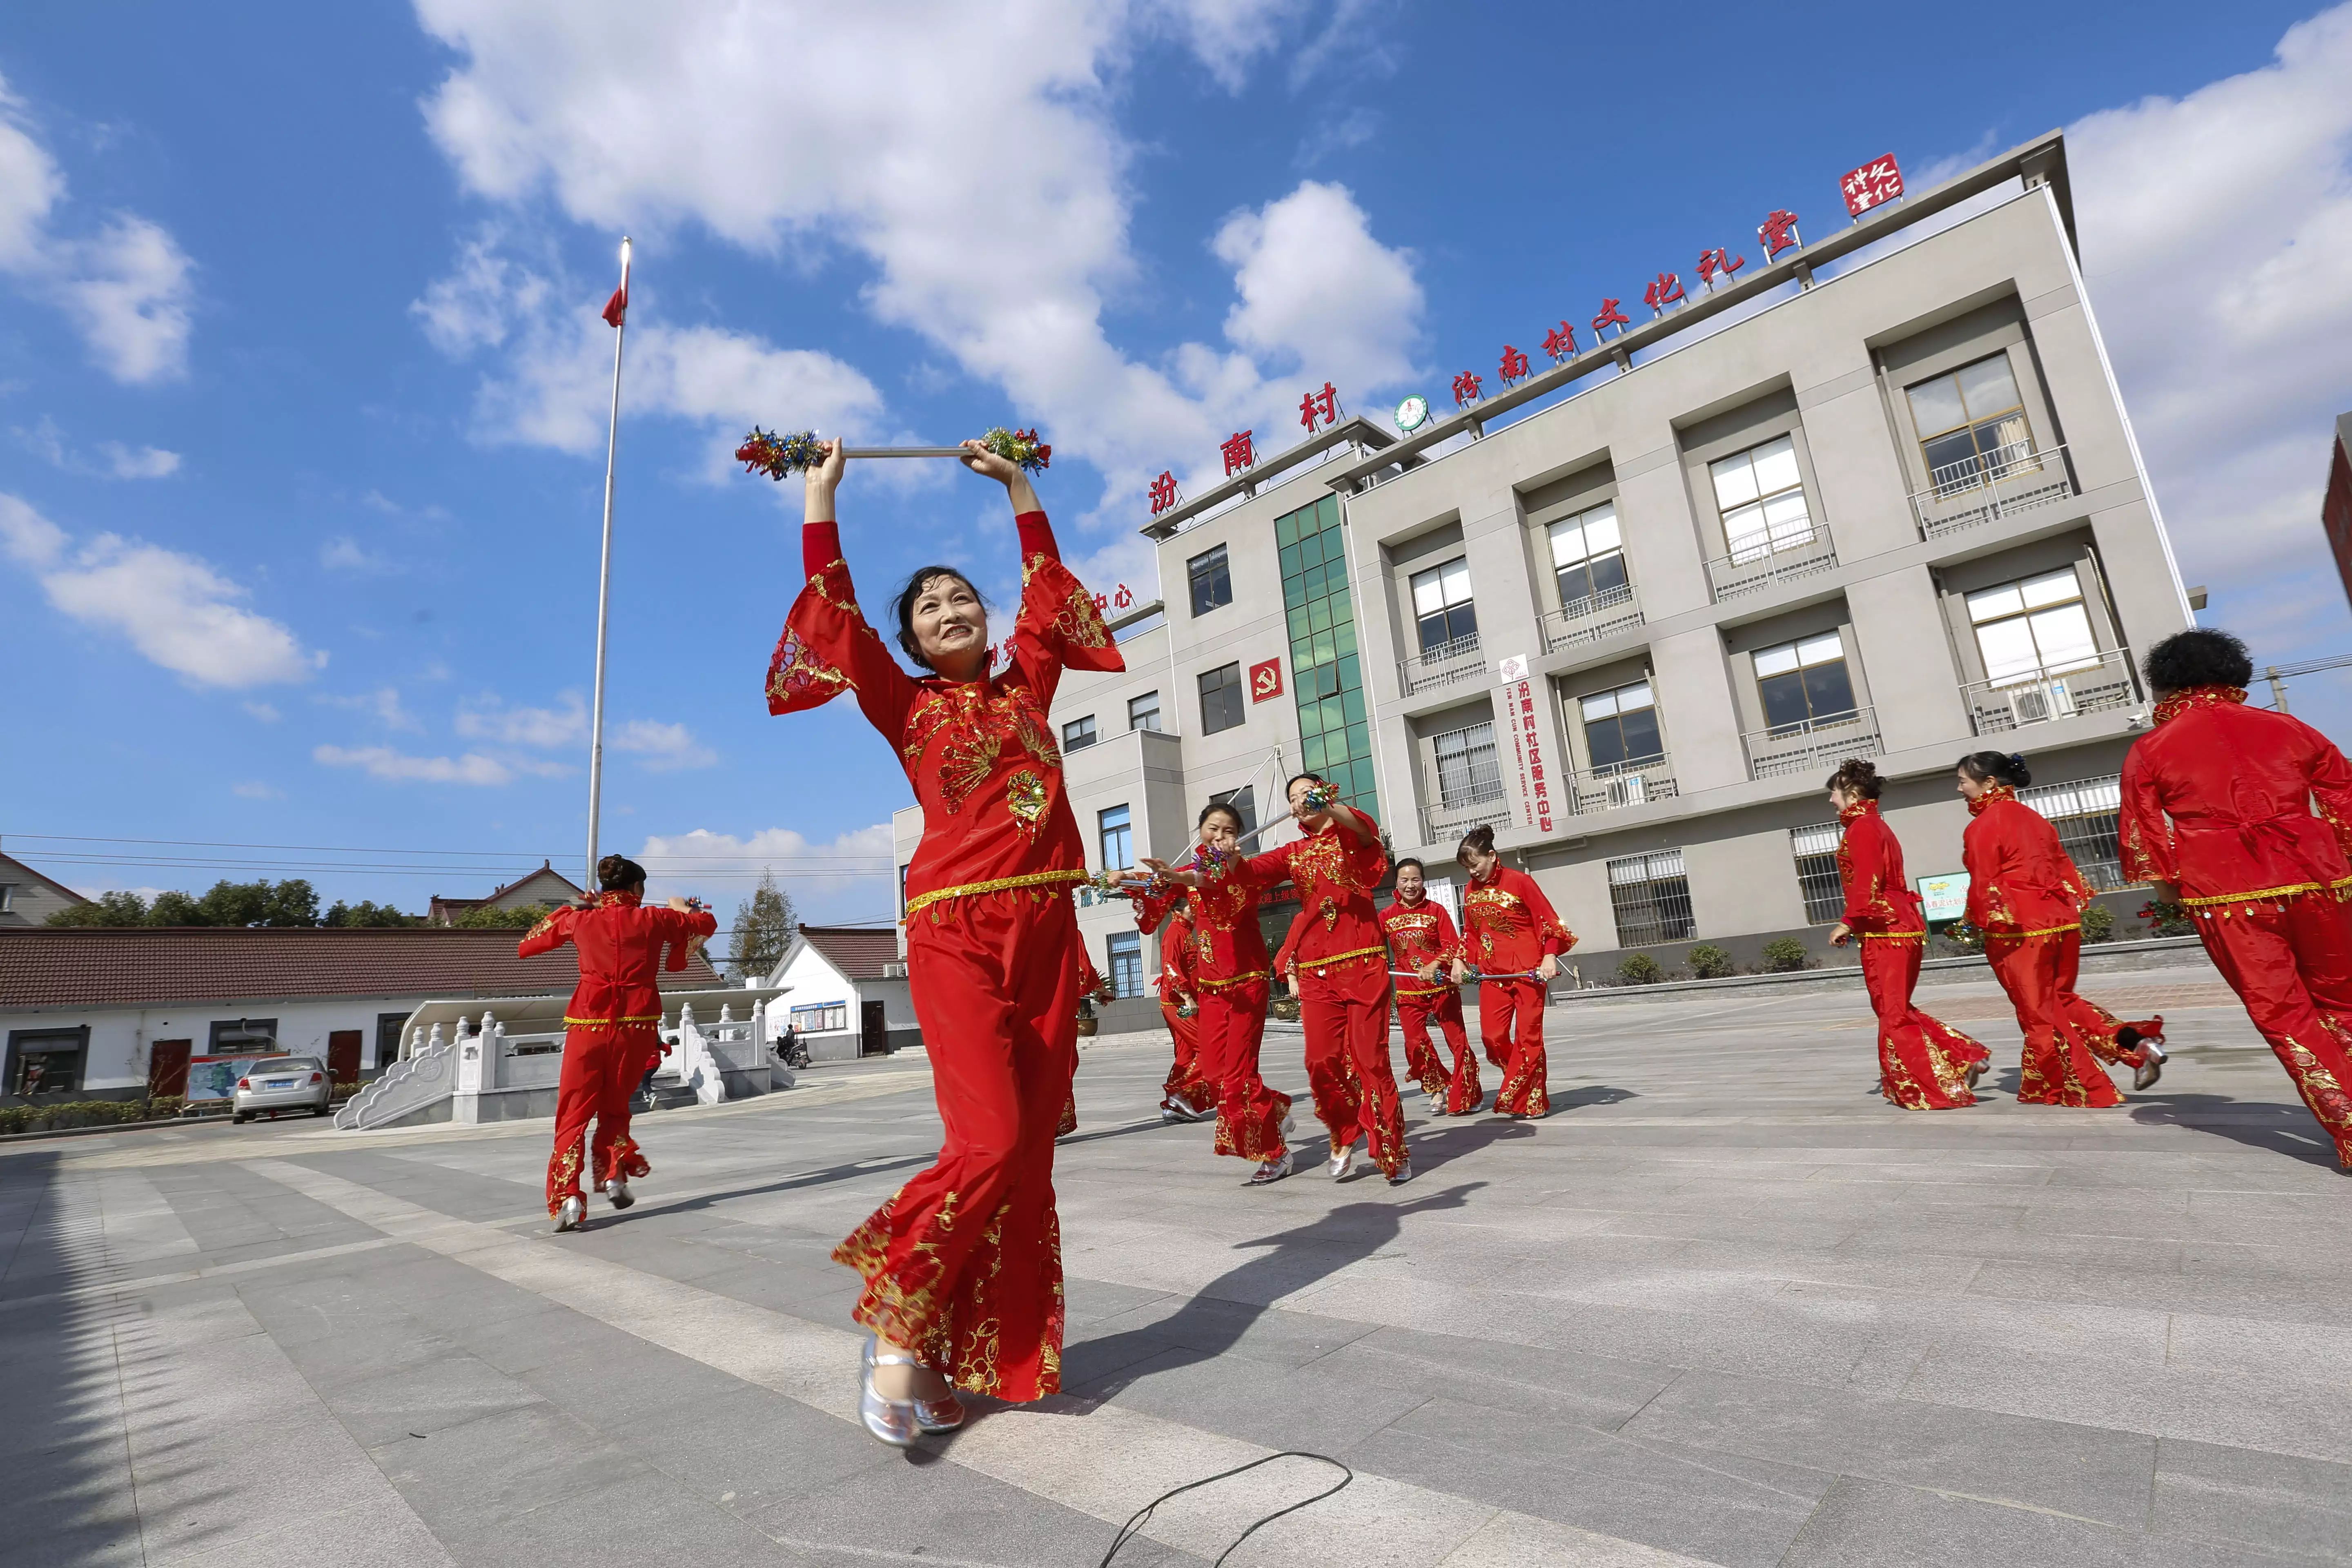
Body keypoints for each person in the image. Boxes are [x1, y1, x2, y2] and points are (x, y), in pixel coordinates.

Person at [764, 435, 1122, 1446]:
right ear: (914, 643)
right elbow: (832, 612)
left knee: (1029, 1159)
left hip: (1046, 929)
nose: (948, 610)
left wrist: (1019, 490)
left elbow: (1048, 589)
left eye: (959, 596)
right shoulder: (903, 703)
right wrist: (819, 497)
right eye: (926, 607)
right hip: (953, 931)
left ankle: (950, 1345)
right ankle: (893, 1332)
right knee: (988, 1141)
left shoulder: (1029, 687)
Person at [2120, 627, 2352, 1168]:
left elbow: (2144, 836)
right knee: (2343, 998)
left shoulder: (2152, 748)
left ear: (2165, 683)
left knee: (2284, 1013)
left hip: (2228, 893)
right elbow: (2343, 793)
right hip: (2320, 880)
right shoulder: (2290, 727)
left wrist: (2172, 890)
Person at [1150, 774, 1412, 1185]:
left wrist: (1325, 804)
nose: (1297, 802)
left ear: (1324, 794)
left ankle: (1391, 1150)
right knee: (1320, 1061)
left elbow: (1364, 829)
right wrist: (1231, 858)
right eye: (1292, 798)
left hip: (1362, 964)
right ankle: (1344, 1132)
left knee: (1371, 1061)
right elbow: (1249, 873)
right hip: (1316, 971)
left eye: (1304, 794)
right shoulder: (1293, 854)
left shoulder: (1349, 836)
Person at [518, 855, 717, 1231]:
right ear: (637, 890)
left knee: (573, 1115)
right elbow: (705, 924)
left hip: (588, 1023)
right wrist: (683, 907)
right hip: (636, 1024)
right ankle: (612, 1176)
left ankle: (568, 1202)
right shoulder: (656, 918)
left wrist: (575, 905)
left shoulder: (580, 919)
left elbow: (528, 945)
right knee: (615, 1106)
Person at [1958, 751, 2165, 1107]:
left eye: (1963, 781)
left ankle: (2089, 1088)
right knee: (2061, 1001)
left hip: (2021, 930)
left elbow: (1984, 881)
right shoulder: (2036, 819)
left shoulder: (1983, 825)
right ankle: (2136, 1044)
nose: (1960, 788)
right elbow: (2065, 871)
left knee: (2039, 1012)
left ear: (1989, 783)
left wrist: (1973, 924)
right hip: (2061, 920)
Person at [1134, 802, 1293, 1182]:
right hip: (1211, 989)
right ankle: (1277, 1110)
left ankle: (1275, 1153)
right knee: (1215, 1073)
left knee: (1239, 1074)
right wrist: (1123, 878)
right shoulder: (1192, 870)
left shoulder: (1244, 871)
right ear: (1200, 832)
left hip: (1245, 986)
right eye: (1212, 829)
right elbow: (1169, 887)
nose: (1219, 836)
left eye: (1228, 831)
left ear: (1238, 837)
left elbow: (1206, 881)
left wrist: (1178, 874)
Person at [1822, 759, 1990, 1108]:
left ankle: (1935, 1088)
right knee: (1895, 1008)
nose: (1831, 801)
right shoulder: (1875, 825)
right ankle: (1964, 1055)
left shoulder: (1863, 828)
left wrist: (1849, 921)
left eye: (1834, 794)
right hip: (1899, 927)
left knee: (1893, 1012)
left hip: (1887, 931)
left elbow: (1868, 878)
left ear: (1852, 795)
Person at [1452, 825, 1575, 1118]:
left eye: (1475, 865)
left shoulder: (1520, 882)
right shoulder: (1471, 890)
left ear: (1492, 856)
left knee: (1528, 1038)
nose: (1472, 873)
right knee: (1492, 1038)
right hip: (1493, 977)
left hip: (1529, 973)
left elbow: (1551, 922)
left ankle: (1532, 1098)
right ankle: (1524, 1080)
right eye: (1467, 868)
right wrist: (1460, 960)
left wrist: (1549, 957)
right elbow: (1471, 931)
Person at [1383, 858, 1481, 1115]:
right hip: (1407, 988)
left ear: (1423, 881)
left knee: (1457, 1042)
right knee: (1414, 1043)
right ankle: (1438, 1085)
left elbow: (1453, 945)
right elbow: (1373, 948)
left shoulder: (1436, 911)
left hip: (1441, 986)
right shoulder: (1386, 916)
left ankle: (1468, 1093)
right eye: (1404, 880)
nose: (1410, 885)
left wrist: (1435, 965)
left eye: (1416, 879)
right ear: (1396, 882)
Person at [1140, 893, 1215, 1123]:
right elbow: (1170, 967)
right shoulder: (1175, 933)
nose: (1197, 910)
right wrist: (1186, 997)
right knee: (1209, 1048)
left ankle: (1175, 1106)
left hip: (1184, 1002)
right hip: (1178, 1003)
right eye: (1194, 907)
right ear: (1181, 910)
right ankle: (1179, 1094)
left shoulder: (1186, 933)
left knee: (1186, 1055)